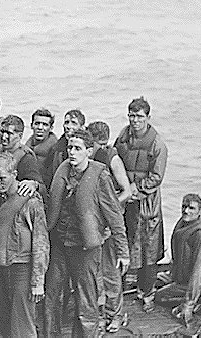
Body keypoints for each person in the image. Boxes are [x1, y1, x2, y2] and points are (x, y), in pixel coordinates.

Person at [45, 129, 129, 337]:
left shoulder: (100, 177)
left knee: (86, 301)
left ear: (89, 152)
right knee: (52, 296)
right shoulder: (64, 171)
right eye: (70, 148)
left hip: (85, 249)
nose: (72, 152)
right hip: (60, 244)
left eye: (77, 148)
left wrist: (123, 252)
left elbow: (115, 216)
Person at [0, 152, 50, 337]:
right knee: (4, 322)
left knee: (23, 325)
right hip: (0, 267)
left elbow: (41, 244)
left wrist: (38, 282)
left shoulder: (31, 202)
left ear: (14, 174)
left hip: (22, 269)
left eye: (2, 178)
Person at [114, 97, 168, 312]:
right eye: (131, 116)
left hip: (147, 204)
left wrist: (135, 188)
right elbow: (114, 159)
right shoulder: (123, 136)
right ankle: (117, 290)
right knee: (121, 242)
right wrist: (122, 188)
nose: (135, 120)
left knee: (148, 249)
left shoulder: (158, 144)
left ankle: (147, 293)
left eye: (139, 116)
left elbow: (156, 177)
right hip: (125, 200)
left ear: (148, 117)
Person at [87, 121, 132, 332]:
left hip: (109, 224)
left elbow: (127, 191)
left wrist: (109, 209)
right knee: (96, 272)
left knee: (110, 273)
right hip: (94, 223)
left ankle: (116, 315)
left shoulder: (112, 158)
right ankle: (101, 312)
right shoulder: (90, 159)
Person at [155, 194, 201, 326]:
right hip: (183, 275)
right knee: (156, 279)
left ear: (200, 211)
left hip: (199, 282)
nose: (186, 211)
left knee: (159, 297)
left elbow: (197, 271)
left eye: (191, 208)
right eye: (184, 206)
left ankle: (200, 299)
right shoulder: (185, 222)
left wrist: (189, 303)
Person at [0, 114, 44, 197]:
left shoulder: (26, 158)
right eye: (3, 132)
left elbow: (42, 188)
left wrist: (34, 184)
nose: (4, 137)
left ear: (20, 136)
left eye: (9, 133)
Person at [44, 109, 85, 187]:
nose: (68, 126)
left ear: (82, 127)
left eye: (74, 123)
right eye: (66, 122)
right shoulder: (55, 150)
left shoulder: (92, 149)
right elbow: (48, 178)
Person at [25, 108, 58, 187]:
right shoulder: (26, 146)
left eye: (45, 124)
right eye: (37, 123)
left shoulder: (55, 150)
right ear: (31, 125)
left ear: (51, 128)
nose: (40, 127)